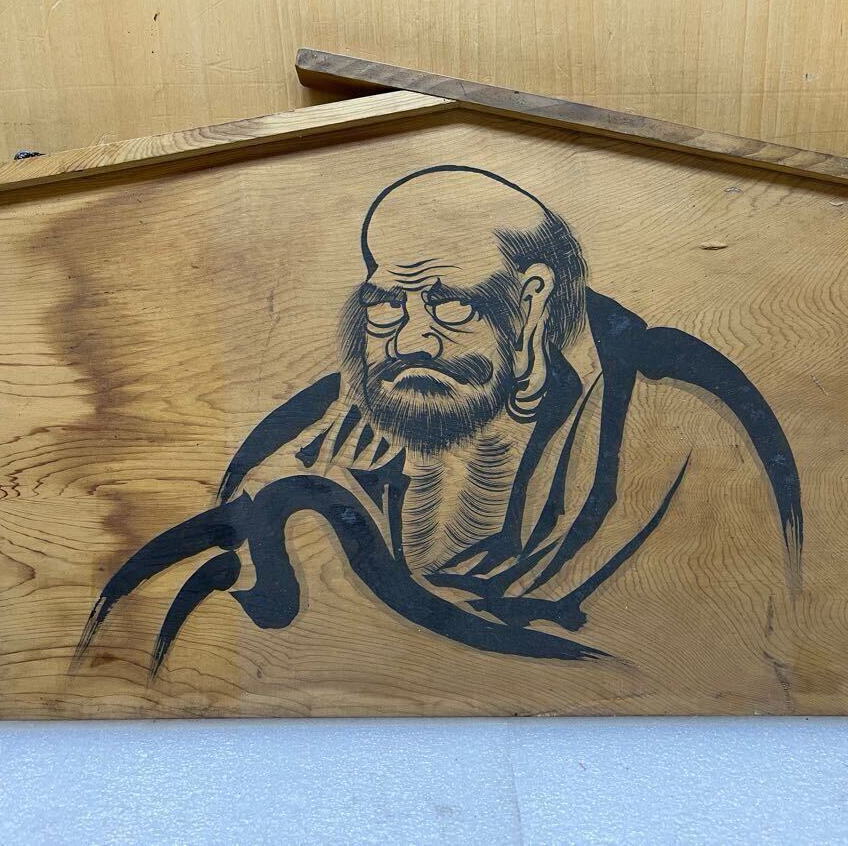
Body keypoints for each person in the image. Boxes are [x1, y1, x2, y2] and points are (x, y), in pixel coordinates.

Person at [76, 165, 803, 677]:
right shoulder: (326, 426)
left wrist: (344, 552)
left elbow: (700, 661)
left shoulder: (671, 418)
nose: (411, 339)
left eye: (451, 304)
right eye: (389, 305)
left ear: (534, 303)